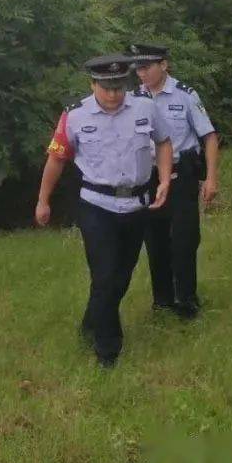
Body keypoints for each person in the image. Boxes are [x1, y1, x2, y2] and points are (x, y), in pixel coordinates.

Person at [35, 55, 172, 367]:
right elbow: (56, 159)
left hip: (137, 204)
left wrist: (164, 180)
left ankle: (91, 322)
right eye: (106, 88)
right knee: (106, 274)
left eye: (118, 87)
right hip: (97, 206)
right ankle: (107, 352)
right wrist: (43, 200)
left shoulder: (144, 108)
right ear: (92, 84)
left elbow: (163, 142)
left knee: (120, 277)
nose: (113, 94)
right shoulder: (75, 115)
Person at [127, 43, 219, 319]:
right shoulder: (133, 99)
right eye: (138, 69)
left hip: (181, 176)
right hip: (150, 177)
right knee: (154, 241)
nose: (141, 73)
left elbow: (209, 137)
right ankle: (163, 300)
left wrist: (211, 179)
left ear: (164, 65)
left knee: (183, 239)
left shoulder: (185, 96)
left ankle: (187, 300)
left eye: (146, 67)